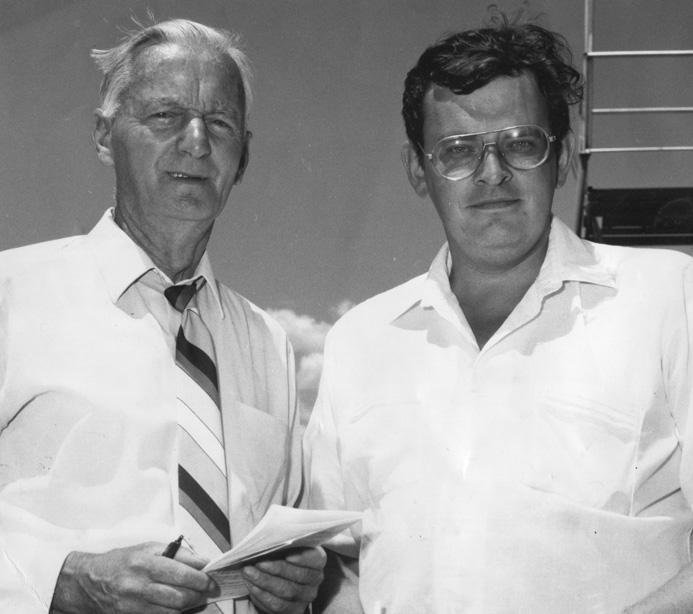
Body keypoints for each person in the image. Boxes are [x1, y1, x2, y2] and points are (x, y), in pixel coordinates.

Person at [304, 15, 693, 614]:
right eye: (458, 150)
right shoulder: (359, 341)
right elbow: (340, 565)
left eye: (521, 143)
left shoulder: (671, 297)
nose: (492, 173)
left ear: (562, 157)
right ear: (418, 170)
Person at [0, 19, 325, 614]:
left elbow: (287, 535)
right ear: (104, 136)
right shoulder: (12, 294)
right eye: (164, 116)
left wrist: (295, 588)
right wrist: (66, 580)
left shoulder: (267, 342)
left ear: (243, 156)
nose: (196, 143)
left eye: (219, 123)